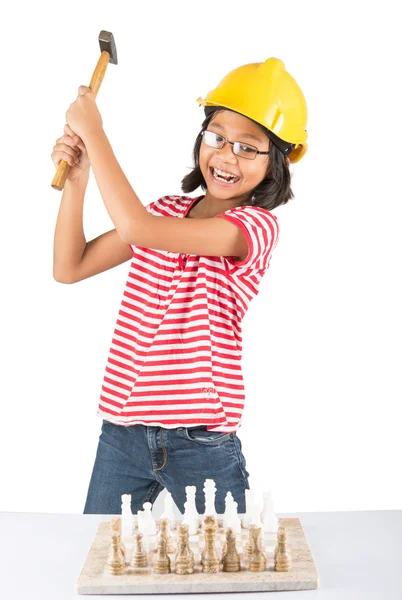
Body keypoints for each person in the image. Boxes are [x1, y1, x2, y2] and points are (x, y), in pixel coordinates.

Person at [51, 57, 308, 516]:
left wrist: (96, 132)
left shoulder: (254, 227)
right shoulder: (166, 211)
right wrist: (79, 175)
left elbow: (136, 229)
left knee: (229, 565)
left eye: (249, 148)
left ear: (278, 163)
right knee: (96, 557)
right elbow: (70, 266)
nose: (227, 156)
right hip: (122, 431)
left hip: (200, 440)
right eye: (217, 137)